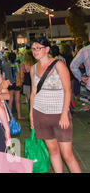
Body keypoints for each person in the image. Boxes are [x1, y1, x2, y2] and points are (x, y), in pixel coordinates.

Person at [30, 37, 81, 173]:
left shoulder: (58, 64)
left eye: (38, 48)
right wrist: (31, 115)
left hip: (59, 114)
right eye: (33, 48)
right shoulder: (33, 68)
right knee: (52, 151)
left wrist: (64, 114)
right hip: (40, 114)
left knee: (67, 154)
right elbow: (33, 92)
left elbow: (67, 90)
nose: (35, 51)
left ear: (47, 49)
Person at [2, 52, 24, 120]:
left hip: (9, 83)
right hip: (17, 83)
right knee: (18, 100)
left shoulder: (5, 65)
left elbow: (3, 75)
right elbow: (20, 74)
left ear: (8, 58)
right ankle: (19, 116)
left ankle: (10, 116)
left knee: (10, 100)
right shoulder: (18, 65)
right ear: (15, 57)